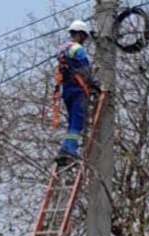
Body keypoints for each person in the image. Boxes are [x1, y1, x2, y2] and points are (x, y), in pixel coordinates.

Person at [54, 20, 101, 165]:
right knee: (77, 122)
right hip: (77, 89)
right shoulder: (77, 49)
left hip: (66, 90)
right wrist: (94, 84)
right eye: (84, 37)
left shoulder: (63, 49)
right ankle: (71, 151)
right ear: (80, 35)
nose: (85, 40)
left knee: (72, 121)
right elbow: (84, 69)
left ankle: (64, 149)